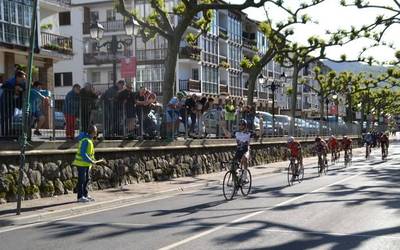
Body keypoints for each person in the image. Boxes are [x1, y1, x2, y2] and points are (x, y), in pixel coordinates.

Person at [72, 125, 103, 203]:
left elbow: (89, 153)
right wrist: (90, 160)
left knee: (86, 179)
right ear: (93, 132)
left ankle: (85, 195)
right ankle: (80, 196)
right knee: (82, 180)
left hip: (86, 164)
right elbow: (83, 153)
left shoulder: (89, 139)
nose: (96, 134)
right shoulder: (86, 140)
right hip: (81, 164)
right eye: (96, 132)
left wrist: (92, 160)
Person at [0, 70, 26, 137]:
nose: (23, 80)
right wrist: (14, 88)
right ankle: (3, 134)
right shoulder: (10, 82)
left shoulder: (22, 83)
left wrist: (21, 89)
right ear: (18, 77)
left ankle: (6, 133)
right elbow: (4, 86)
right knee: (5, 118)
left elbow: (25, 87)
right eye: (22, 78)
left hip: (13, 103)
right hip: (5, 103)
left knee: (10, 118)